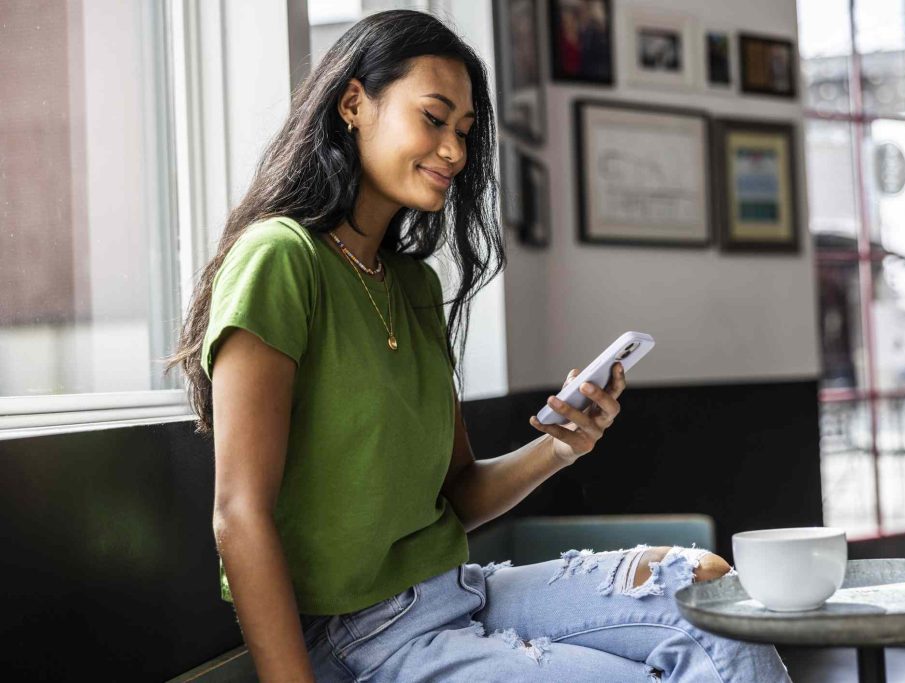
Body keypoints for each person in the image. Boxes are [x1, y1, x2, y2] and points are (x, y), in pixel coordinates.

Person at [165, 9, 792, 682]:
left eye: (463, 131)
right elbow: (238, 513)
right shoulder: (279, 258)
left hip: (459, 590)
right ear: (353, 102)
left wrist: (561, 445)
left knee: (709, 589)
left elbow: (457, 494)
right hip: (361, 636)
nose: (456, 152)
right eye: (433, 119)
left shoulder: (410, 284)